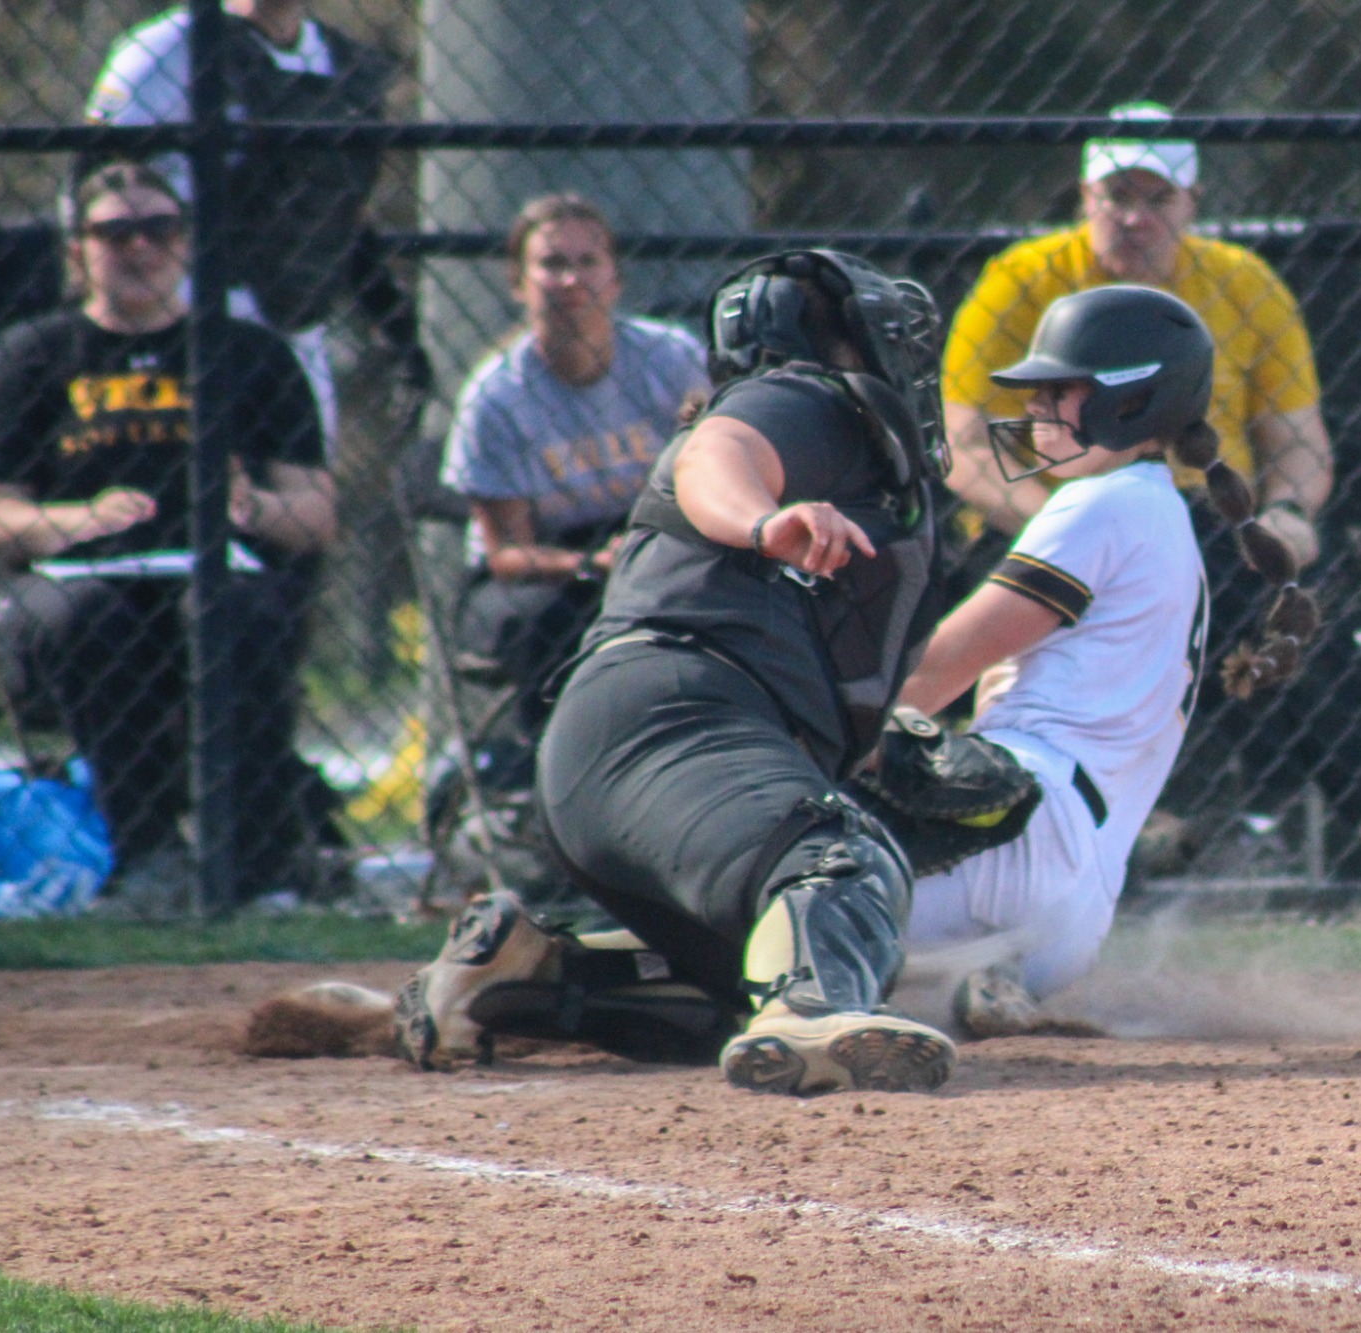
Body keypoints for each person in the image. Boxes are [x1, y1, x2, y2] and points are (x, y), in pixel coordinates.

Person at [395, 250, 960, 1096]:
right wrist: (763, 523)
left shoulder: (865, 463)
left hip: (628, 742)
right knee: (838, 856)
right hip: (681, 712)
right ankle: (808, 1009)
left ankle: (522, 969)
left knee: (731, 985)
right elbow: (713, 458)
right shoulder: (801, 395)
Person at [898, 285, 1317, 1030]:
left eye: (1058, 389)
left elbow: (938, 672)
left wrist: (814, 740)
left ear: (1131, 402)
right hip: (1069, 905)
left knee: (777, 871)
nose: (1034, 408)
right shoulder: (1156, 510)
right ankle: (966, 976)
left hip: (1009, 838)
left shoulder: (1099, 503)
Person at [939, 103, 1356, 854]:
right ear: (1084, 200)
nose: (1134, 218)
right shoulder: (1022, 279)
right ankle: (1128, 823)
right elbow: (964, 441)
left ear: (1192, 204)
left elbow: (1298, 440)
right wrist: (1056, 527)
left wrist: (1290, 509)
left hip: (1198, 513)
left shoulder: (1246, 284)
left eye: (1156, 199)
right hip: (1039, 514)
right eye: (1116, 197)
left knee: (1290, 601)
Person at [0, 161, 338, 905]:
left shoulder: (247, 350)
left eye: (159, 228)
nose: (139, 247)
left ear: (186, 243)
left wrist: (253, 510)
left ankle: (256, 870)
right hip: (75, 584)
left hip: (211, 570)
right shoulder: (31, 355)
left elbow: (315, 513)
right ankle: (148, 859)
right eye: (115, 232)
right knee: (93, 622)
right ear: (78, 249)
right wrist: (74, 521)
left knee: (233, 614)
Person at [85, 0, 429, 451]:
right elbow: (90, 185)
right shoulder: (165, 48)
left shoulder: (341, 61)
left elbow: (339, 212)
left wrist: (396, 328)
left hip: (297, 320)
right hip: (187, 316)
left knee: (298, 497)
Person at [441, 195, 710, 739]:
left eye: (588, 262)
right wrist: (592, 563)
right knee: (553, 623)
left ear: (615, 279)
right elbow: (507, 553)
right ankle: (557, 769)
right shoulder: (495, 397)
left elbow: (713, 472)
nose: (571, 280)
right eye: (551, 264)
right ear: (519, 283)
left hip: (658, 537)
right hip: (553, 565)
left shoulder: (671, 358)